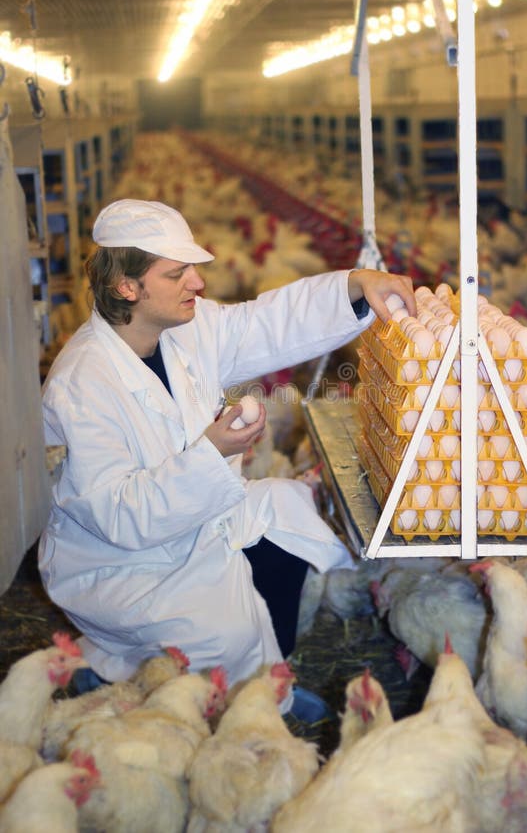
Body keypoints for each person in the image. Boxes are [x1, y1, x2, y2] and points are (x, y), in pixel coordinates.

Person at [38, 198, 416, 718]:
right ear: (128, 287)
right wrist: (214, 454)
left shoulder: (186, 329)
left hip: (189, 520)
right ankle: (124, 669)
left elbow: (265, 323)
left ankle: (267, 679)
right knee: (225, 636)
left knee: (296, 509)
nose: (197, 282)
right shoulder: (81, 384)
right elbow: (121, 514)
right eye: (178, 273)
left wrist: (354, 285)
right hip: (123, 561)